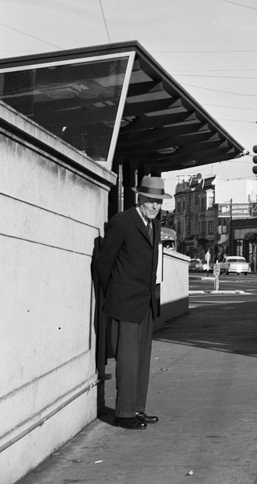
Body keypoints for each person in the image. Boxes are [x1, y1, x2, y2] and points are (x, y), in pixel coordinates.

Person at [94, 175, 171, 430]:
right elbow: (104, 263)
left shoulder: (155, 225)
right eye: (150, 201)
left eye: (158, 202)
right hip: (125, 303)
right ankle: (124, 414)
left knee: (141, 360)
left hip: (146, 302)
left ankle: (137, 408)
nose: (154, 206)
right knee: (127, 361)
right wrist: (114, 293)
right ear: (140, 198)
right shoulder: (123, 222)